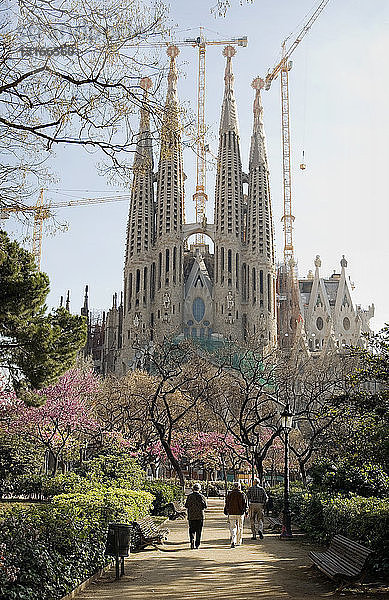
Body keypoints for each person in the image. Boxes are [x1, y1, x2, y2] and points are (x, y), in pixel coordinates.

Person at [224, 481, 248, 547]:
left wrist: (226, 510)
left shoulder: (230, 494)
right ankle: (238, 542)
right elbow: (245, 504)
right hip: (240, 513)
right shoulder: (242, 494)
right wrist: (246, 512)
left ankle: (233, 541)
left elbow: (227, 503)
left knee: (232, 527)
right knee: (240, 527)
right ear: (239, 487)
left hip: (231, 512)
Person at [185, 483, 207, 549]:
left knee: (191, 529)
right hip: (200, 516)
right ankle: (197, 544)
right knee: (199, 530)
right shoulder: (202, 496)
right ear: (199, 489)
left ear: (193, 489)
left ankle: (192, 540)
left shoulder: (189, 496)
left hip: (191, 516)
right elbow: (205, 506)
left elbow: (186, 505)